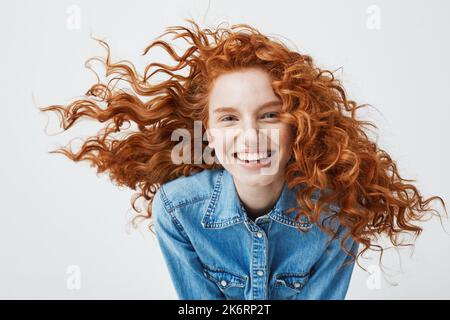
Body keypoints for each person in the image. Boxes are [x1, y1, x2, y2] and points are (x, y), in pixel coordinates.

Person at [40, 19, 447, 300]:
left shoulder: (336, 213)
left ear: (298, 125)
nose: (250, 136)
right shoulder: (177, 209)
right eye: (229, 118)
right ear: (208, 133)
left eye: (270, 115)